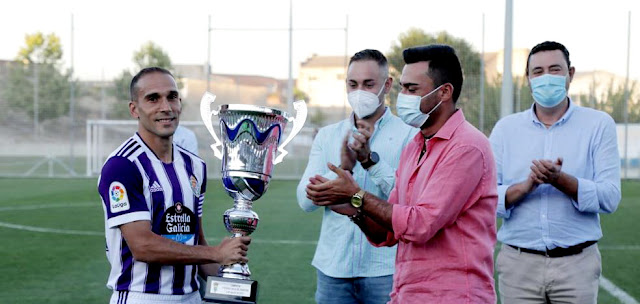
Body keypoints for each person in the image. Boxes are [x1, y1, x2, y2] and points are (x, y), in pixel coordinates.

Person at [306, 44, 498, 303]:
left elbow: (421, 224)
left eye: (412, 89)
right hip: (407, 292)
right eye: (403, 88)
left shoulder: (466, 146)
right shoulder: (415, 146)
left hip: (452, 295)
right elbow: (389, 231)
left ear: (444, 92)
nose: (403, 97)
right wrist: (351, 206)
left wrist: (357, 194)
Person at [97, 67, 251, 304]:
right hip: (142, 297)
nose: (165, 107)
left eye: (172, 97)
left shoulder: (195, 166)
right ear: (134, 109)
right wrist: (217, 254)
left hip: (192, 297)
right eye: (153, 98)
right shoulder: (123, 165)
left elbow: (196, 242)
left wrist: (233, 282)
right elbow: (143, 246)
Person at [489, 41, 621, 304]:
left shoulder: (598, 125)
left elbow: (610, 197)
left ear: (570, 74)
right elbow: (487, 196)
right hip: (518, 266)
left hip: (577, 266)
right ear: (527, 78)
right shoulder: (506, 129)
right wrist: (525, 186)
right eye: (537, 71)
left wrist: (561, 180)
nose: (545, 77)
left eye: (555, 69)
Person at [296, 49, 417, 303]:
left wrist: (369, 161)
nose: (359, 92)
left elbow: (408, 200)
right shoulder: (328, 135)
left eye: (368, 84)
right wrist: (344, 167)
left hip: (385, 270)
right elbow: (305, 201)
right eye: (353, 84)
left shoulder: (409, 135)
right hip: (333, 268)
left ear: (387, 85)